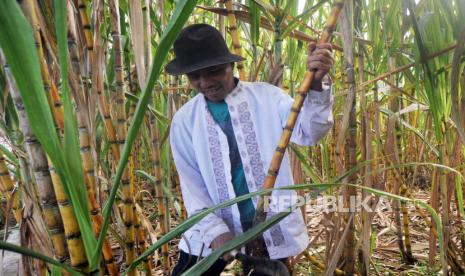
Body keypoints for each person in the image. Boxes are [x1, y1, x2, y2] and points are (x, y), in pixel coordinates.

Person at [167, 23, 334, 275]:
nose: (205, 82)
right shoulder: (184, 121)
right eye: (194, 76)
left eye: (213, 71)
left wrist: (316, 85)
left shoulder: (269, 98)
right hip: (212, 225)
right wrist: (216, 233)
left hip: (269, 224)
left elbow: (309, 132)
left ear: (230, 65)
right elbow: (193, 188)